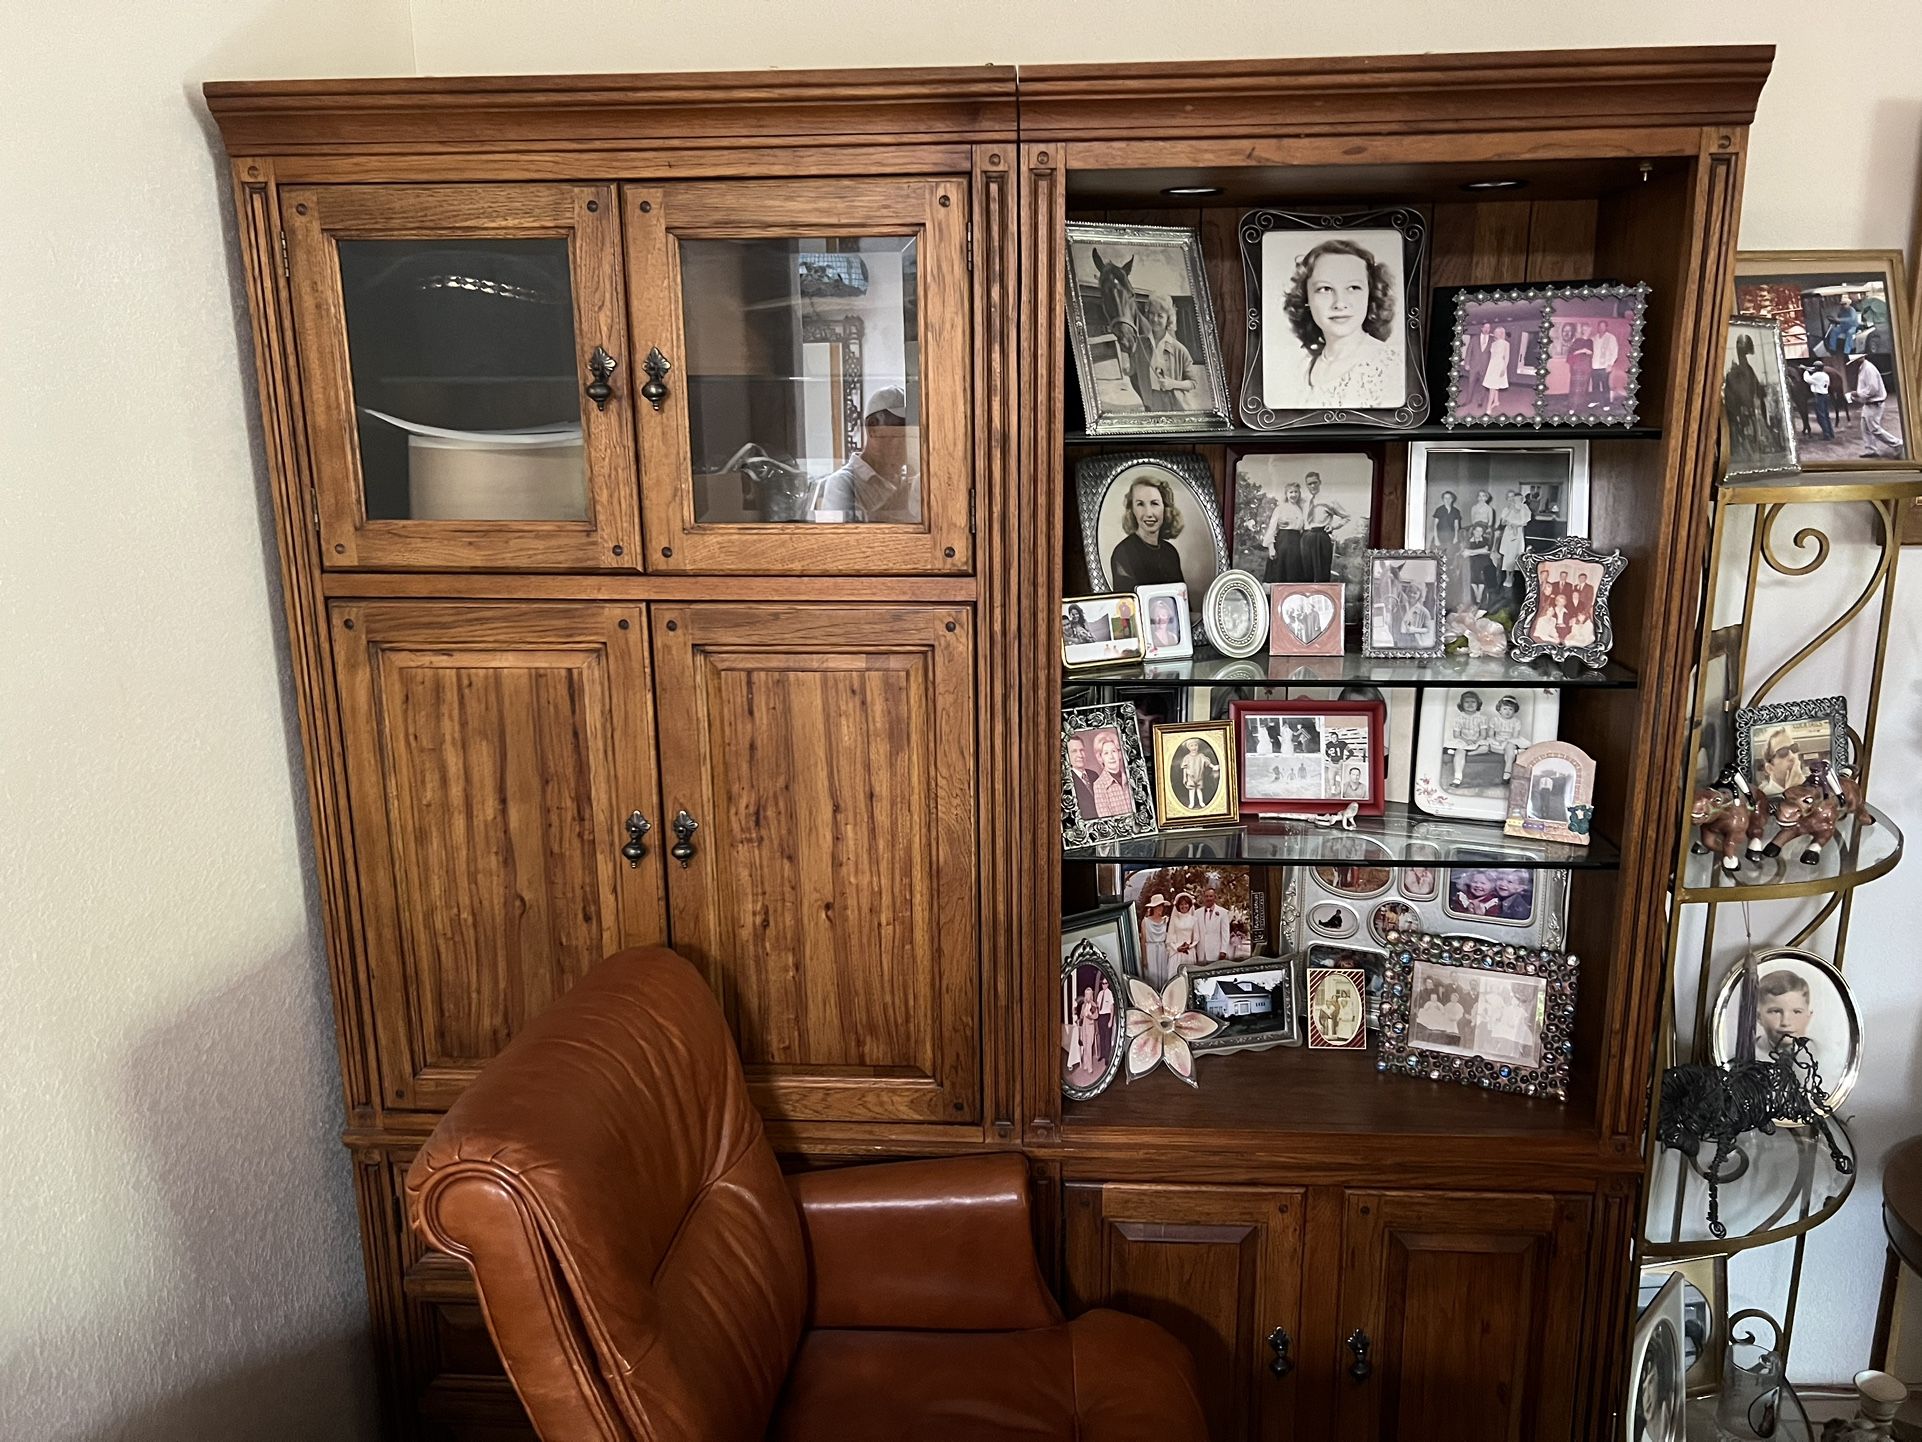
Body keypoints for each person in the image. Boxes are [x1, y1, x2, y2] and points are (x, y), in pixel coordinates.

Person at [1280, 238, 1403, 408]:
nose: (1340, 303)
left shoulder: (1393, 368)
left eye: (1353, 287)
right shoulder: (1299, 370)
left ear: (1370, 294)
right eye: (1325, 289)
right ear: (1306, 298)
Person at [812, 386, 921, 524]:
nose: (907, 443)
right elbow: (843, 540)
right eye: (899, 433)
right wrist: (897, 502)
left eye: (911, 434)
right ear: (872, 428)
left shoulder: (909, 480)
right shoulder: (843, 484)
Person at [1140, 292, 1203, 411]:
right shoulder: (1141, 345)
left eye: (1160, 316)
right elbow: (1131, 369)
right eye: (1152, 314)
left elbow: (1193, 382)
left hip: (1175, 404)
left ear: (1168, 318)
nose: (1154, 319)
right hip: (1150, 403)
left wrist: (1172, 384)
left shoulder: (1180, 350)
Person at [1302, 471, 1355, 582]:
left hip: (1321, 536)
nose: (1312, 486)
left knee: (1321, 572)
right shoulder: (1304, 501)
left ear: (1320, 482)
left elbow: (1347, 517)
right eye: (1309, 484)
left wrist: (1333, 526)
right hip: (1306, 537)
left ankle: (1321, 597)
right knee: (1305, 571)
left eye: (1315, 483)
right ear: (1306, 485)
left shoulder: (1329, 500)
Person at [1848, 355, 1903, 457]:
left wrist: (1858, 393)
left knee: (1874, 429)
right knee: (1865, 427)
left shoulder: (1868, 369)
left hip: (1875, 403)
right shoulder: (1863, 368)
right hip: (1868, 403)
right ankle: (1871, 450)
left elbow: (1873, 389)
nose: (1854, 364)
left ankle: (1897, 443)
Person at [1754, 968, 1813, 1060]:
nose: (1785, 1022)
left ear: (1808, 1016)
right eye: (1776, 1011)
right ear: (1758, 1017)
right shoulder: (1748, 1054)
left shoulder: (1825, 1054)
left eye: (1797, 1012)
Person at [1262, 480, 1309, 583]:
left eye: (1296, 492)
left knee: (1295, 572)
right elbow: (1272, 528)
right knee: (1281, 573)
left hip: (1297, 542)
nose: (1293, 495)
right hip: (1284, 541)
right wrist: (1271, 548)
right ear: (1286, 494)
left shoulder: (1301, 509)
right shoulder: (1280, 508)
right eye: (1291, 492)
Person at [1443, 690, 1492, 786]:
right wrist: (1466, 740)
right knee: (1460, 752)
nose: (1470, 704)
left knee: (1485, 748)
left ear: (1478, 704)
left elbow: (1483, 734)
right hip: (1463, 740)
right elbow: (1456, 735)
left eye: (1473, 702)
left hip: (1477, 741)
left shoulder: (1482, 718)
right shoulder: (1459, 719)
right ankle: (1457, 778)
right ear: (1461, 704)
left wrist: (1476, 741)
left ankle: (1469, 753)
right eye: (1467, 702)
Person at [1090, 731, 1133, 817]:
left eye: (1113, 751)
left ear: (1119, 753)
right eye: (1106, 753)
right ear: (1100, 758)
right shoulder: (1099, 785)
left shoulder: (1131, 776)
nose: (1111, 757)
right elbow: (1106, 819)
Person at [1488, 694, 1527, 780]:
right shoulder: (1495, 720)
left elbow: (1515, 736)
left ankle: (1507, 771)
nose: (1507, 711)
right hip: (1498, 741)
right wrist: (1496, 741)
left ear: (1514, 711)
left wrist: (1507, 742)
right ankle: (1516, 752)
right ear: (1500, 709)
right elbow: (1491, 734)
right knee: (1490, 747)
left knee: (1509, 747)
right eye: (1505, 708)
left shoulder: (1516, 721)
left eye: (1510, 709)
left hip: (1510, 741)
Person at [1759, 727, 1808, 794]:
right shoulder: (1764, 798)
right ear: (1769, 768)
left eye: (1794, 748)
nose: (1792, 756)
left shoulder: (1812, 786)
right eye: (1782, 752)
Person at [1138, 894, 1173, 986]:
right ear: (1153, 907)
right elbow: (1143, 941)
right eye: (1158, 906)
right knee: (1151, 975)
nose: (1160, 908)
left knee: (1163, 975)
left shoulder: (1165, 921)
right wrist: (1144, 958)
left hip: (1162, 949)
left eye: (1161, 906)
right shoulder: (1146, 921)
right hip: (1151, 949)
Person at [1176, 737, 1219, 809]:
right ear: (1188, 747)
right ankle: (1192, 803)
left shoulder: (1201, 756)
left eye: (1195, 745)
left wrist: (1213, 766)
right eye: (1191, 746)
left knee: (1199, 790)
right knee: (1191, 790)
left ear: (1198, 746)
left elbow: (1208, 763)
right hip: (1190, 777)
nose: (1194, 747)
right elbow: (1184, 768)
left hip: (1199, 777)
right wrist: (1184, 777)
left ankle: (1201, 802)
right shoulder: (1187, 758)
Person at [1194, 885, 1232, 962]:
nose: (1208, 898)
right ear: (1203, 898)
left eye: (1211, 896)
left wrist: (1223, 950)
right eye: (1206, 896)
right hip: (1201, 952)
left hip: (1216, 952)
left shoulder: (1223, 912)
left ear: (1215, 897)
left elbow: (1225, 933)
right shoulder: (1197, 913)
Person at [1065, 735, 1100, 818]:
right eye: (1074, 751)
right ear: (1066, 755)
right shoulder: (1067, 781)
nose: (1080, 755)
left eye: (1082, 750)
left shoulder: (1094, 775)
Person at [1165, 892, 1201, 974]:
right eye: (1181, 904)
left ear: (1189, 905)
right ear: (1178, 906)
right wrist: (1177, 948)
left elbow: (1196, 938)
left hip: (1189, 952)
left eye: (1186, 904)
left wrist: (1189, 946)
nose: (1184, 906)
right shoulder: (1174, 920)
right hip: (1176, 952)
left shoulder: (1193, 920)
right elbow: (1170, 937)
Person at [1480, 324, 1512, 415]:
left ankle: (1488, 407)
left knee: (1492, 387)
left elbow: (1507, 358)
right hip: (1492, 365)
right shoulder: (1493, 343)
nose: (1496, 334)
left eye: (1498, 333)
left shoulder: (1506, 344)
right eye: (1495, 332)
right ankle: (1496, 401)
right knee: (1494, 384)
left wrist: (1503, 368)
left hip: (1499, 366)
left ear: (1502, 333)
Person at [1590, 320, 1621, 408]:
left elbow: (1614, 352)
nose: (1601, 328)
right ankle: (1595, 401)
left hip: (1605, 366)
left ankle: (1606, 404)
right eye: (1599, 326)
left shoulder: (1611, 338)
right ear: (1597, 327)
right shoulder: (1594, 338)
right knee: (1595, 385)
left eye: (1603, 326)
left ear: (1606, 327)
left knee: (1605, 386)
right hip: (1594, 366)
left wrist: (1610, 364)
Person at [1802, 362, 1836, 441]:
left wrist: (1806, 371)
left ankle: (1826, 434)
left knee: (1821, 417)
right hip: (1825, 395)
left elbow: (1807, 379)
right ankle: (1831, 433)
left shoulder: (1817, 375)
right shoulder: (1825, 375)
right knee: (1826, 416)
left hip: (1819, 396)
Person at [1567, 324, 1595, 409]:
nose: (1586, 331)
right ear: (1582, 330)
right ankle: (1573, 406)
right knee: (1575, 387)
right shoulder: (1577, 340)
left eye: (1588, 329)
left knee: (1584, 387)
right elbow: (1571, 353)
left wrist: (1589, 352)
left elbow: (1591, 353)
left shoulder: (1590, 341)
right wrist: (1582, 350)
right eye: (1584, 329)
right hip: (1577, 367)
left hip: (1587, 367)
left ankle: (1581, 405)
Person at [1825, 293, 1862, 359]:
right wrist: (1834, 319)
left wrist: (1840, 319)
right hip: (1843, 326)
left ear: (1848, 304)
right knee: (1834, 330)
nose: (1843, 305)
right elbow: (1838, 317)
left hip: (1852, 326)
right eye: (1842, 304)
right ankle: (1832, 349)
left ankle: (1846, 351)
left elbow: (1851, 319)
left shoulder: (1852, 310)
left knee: (1849, 333)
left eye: (1845, 304)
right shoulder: (1841, 310)